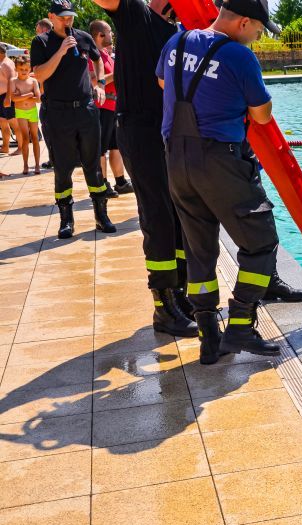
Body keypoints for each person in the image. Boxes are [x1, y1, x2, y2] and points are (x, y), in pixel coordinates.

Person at [156, 0, 291, 363]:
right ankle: (241, 327)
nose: (257, 39)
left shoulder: (177, 42)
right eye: (259, 32)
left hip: (177, 160)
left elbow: (162, 82)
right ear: (244, 21)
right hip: (221, 160)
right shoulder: (239, 55)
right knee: (262, 242)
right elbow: (261, 116)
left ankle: (208, 337)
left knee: (200, 250)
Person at [31, 0, 116, 238]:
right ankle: (66, 220)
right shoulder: (42, 42)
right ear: (51, 16)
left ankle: (102, 216)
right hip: (58, 113)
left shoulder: (83, 37)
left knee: (93, 165)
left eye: (70, 16)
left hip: (86, 110)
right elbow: (39, 74)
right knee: (63, 167)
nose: (68, 21)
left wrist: (99, 83)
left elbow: (98, 59)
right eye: (62, 17)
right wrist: (60, 51)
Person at [88, 19, 133, 196]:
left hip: (113, 107)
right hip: (101, 108)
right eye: (108, 32)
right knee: (101, 149)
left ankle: (120, 181)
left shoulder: (106, 55)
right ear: (99, 35)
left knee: (116, 146)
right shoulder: (93, 56)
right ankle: (102, 183)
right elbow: (92, 80)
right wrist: (118, 72)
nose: (112, 35)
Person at [8, 56, 41, 174]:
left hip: (32, 111)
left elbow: (38, 99)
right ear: (16, 69)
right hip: (21, 112)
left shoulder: (33, 81)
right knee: (26, 138)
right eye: (21, 69)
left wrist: (21, 96)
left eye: (26, 69)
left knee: (35, 137)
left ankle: (37, 165)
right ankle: (25, 165)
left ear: (30, 69)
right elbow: (14, 99)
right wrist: (28, 95)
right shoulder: (13, 81)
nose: (24, 72)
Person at [35, 18, 54, 170]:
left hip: (50, 97)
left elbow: (42, 74)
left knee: (49, 128)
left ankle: (54, 159)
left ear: (43, 29)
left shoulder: (43, 45)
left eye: (37, 29)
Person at [0, 44, 21, 156]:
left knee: (14, 123)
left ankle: (21, 147)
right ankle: (5, 147)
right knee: (3, 122)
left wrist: (8, 98)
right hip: (1, 97)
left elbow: (11, 81)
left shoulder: (6, 64)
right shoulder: (2, 62)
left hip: (7, 96)